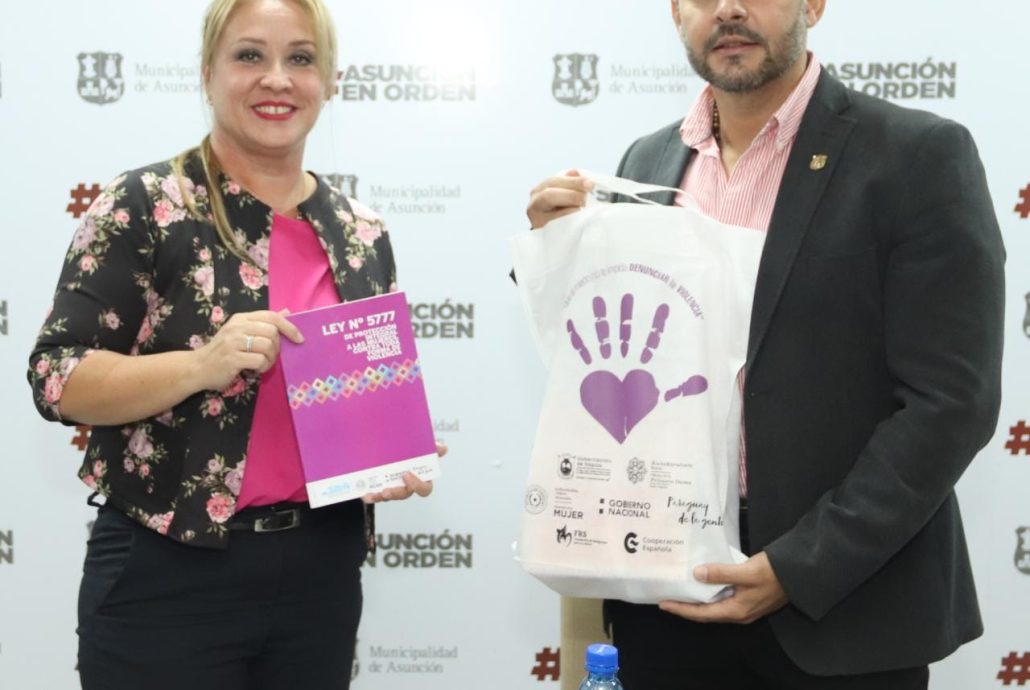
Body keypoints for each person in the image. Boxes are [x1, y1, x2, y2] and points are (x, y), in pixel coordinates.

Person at [526, 1, 1004, 688]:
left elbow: (952, 402)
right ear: (675, 11)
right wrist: (556, 251)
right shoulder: (647, 161)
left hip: (843, 609)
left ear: (814, 3)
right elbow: (614, 340)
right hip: (665, 596)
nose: (728, 8)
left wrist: (802, 565)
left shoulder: (917, 155)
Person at [28, 1, 442, 688]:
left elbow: (357, 399)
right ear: (207, 73)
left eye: (300, 58)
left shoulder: (360, 232)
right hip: (166, 575)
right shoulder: (146, 204)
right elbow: (56, 378)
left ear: (330, 80)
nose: (277, 78)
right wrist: (201, 365)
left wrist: (388, 454)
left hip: (320, 575)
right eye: (250, 55)